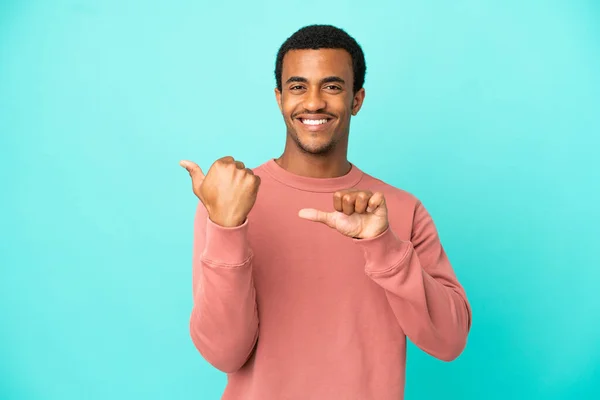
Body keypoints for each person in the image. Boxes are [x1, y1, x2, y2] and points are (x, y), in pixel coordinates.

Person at [180, 24, 472, 400]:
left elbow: (449, 342)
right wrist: (227, 227)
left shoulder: (401, 209)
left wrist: (384, 247)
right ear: (279, 97)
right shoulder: (228, 200)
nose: (314, 102)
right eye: (298, 86)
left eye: (332, 86)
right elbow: (224, 353)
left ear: (357, 99)